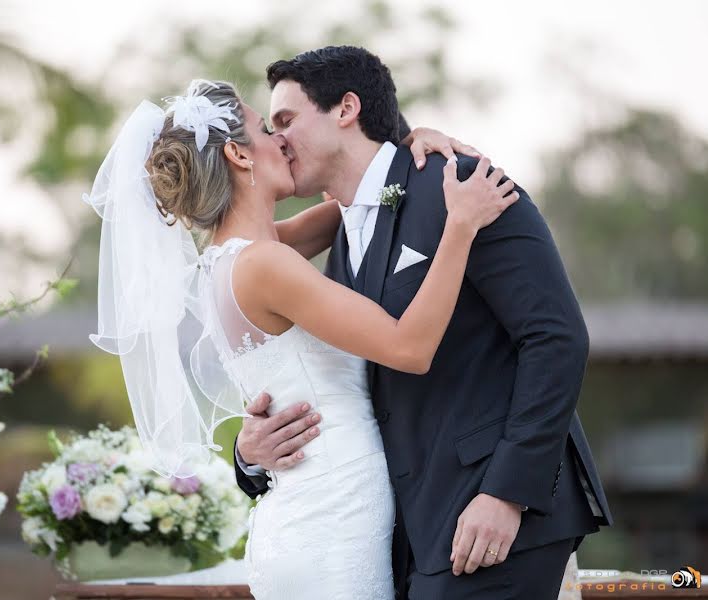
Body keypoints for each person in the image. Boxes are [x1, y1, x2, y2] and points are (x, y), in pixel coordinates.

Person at [85, 75, 515, 598]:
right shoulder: (266, 264)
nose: (281, 141)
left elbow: (360, 197)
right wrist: (461, 227)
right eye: (265, 129)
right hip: (331, 526)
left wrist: (402, 145)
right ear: (240, 158)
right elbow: (409, 347)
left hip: (304, 520)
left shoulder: (230, 259)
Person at [233, 46, 614, 599]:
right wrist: (250, 455)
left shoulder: (463, 186)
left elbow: (556, 338)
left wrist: (507, 494)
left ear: (345, 108)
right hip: (401, 534)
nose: (278, 139)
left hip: (491, 519)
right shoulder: (338, 231)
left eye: (287, 120)